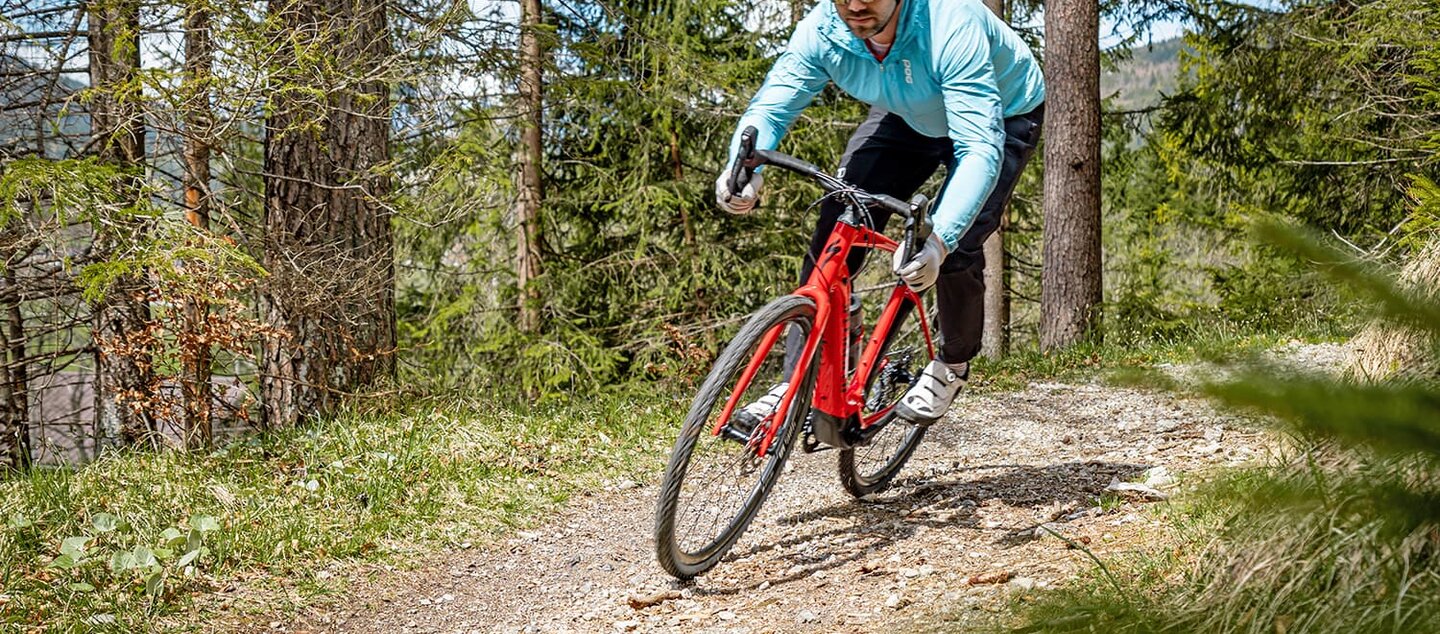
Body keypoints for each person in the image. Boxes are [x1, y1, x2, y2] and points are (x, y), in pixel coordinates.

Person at [716, 0, 1045, 426]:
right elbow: (773, 105)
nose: (855, 5)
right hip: (909, 113)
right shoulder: (823, 29)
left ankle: (953, 363)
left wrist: (939, 241)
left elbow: (979, 148)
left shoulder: (950, 22)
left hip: (1000, 114)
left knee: (958, 243)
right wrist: (744, 168)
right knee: (840, 215)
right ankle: (801, 377)